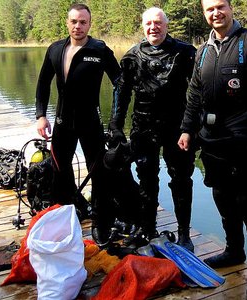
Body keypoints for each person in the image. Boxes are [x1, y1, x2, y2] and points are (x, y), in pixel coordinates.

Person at [177, 0, 247, 298]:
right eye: (209, 8)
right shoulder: (202, 51)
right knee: (223, 198)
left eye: (220, 6)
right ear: (204, 13)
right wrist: (187, 129)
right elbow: (194, 95)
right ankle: (234, 251)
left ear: (230, 7)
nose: (216, 13)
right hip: (213, 142)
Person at [108, 7, 197, 251]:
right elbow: (121, 92)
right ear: (143, 26)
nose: (153, 27)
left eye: (158, 23)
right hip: (143, 127)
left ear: (167, 26)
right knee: (147, 180)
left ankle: (184, 233)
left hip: (177, 128)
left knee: (181, 180)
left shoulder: (185, 53)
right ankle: (147, 228)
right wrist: (116, 124)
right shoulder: (132, 56)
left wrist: (195, 126)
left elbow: (199, 91)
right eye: (149, 23)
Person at [35, 3, 123, 241]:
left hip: (91, 123)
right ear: (67, 23)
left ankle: (101, 224)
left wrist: (117, 119)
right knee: (60, 173)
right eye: (74, 21)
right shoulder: (55, 50)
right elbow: (43, 83)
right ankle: (64, 222)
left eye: (83, 22)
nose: (78, 26)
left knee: (99, 174)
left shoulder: (99, 49)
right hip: (63, 123)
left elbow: (120, 83)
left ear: (89, 24)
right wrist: (41, 115)